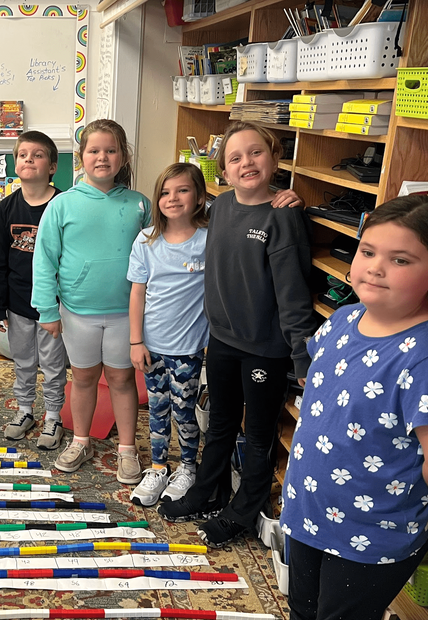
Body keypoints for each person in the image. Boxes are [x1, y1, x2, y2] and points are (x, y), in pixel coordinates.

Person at [232, 195, 428, 620]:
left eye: (401, 259)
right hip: (313, 509)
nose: (376, 268)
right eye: (368, 252)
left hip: (371, 533)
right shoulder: (344, 320)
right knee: (303, 608)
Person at [159, 120, 315, 547]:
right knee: (222, 422)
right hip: (223, 341)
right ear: (223, 172)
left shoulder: (283, 217)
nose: (246, 162)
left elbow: (294, 296)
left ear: (275, 158)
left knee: (259, 434)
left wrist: (302, 359)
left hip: (264, 349)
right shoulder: (221, 207)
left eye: (256, 153)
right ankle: (207, 491)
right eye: (235, 157)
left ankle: (244, 512)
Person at [31, 119, 151, 484]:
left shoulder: (139, 204)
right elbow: (44, 259)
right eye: (94, 150)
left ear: (123, 156)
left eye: (111, 150)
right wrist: (47, 310)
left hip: (124, 315)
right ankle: (81, 440)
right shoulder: (61, 205)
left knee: (121, 379)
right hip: (77, 312)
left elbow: (157, 254)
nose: (102, 157)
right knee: (82, 379)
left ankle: (127, 450)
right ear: (80, 157)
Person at [126, 163, 209, 506]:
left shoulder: (210, 239)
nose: (172, 198)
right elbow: (137, 293)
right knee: (157, 410)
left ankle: (188, 467)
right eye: (165, 192)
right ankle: (159, 466)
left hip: (189, 349)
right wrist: (135, 341)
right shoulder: (146, 240)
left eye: (183, 190)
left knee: (185, 411)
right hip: (151, 347)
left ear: (200, 197)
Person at [0, 130, 67, 450]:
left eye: (37, 155)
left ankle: (53, 416)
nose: (29, 160)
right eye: (23, 155)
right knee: (22, 361)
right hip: (18, 302)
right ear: (15, 162)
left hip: (53, 305)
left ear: (52, 166)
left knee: (52, 364)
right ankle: (25, 412)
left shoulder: (64, 204)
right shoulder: (6, 207)